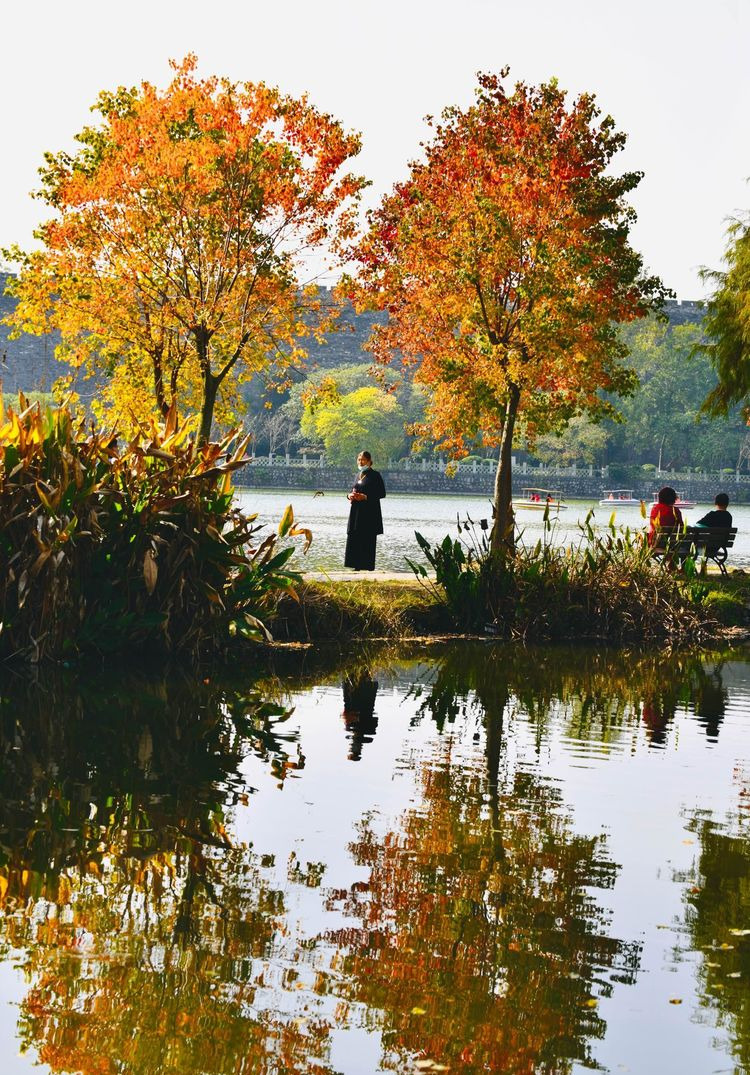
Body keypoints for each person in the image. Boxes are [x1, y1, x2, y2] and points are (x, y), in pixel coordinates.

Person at [344, 450, 386, 571]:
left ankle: (367, 566)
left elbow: (382, 493)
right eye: (359, 459)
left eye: (363, 459)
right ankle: (356, 565)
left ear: (369, 461)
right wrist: (349, 496)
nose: (360, 462)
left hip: (370, 513)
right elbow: (351, 490)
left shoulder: (375, 475)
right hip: (356, 512)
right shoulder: (358, 475)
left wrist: (365, 497)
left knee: (367, 538)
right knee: (355, 537)